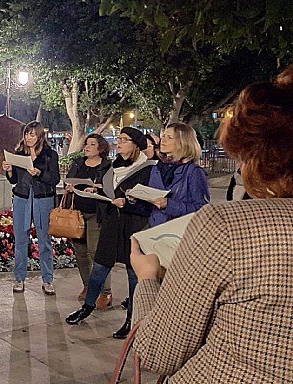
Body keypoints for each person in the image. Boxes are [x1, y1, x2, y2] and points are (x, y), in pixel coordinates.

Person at [130, 66, 293, 382]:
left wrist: (148, 279)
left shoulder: (227, 226)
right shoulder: (157, 168)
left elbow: (156, 351)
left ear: (259, 156)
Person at [66, 127, 155, 339]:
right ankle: (88, 306)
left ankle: (132, 319)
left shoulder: (147, 169)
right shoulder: (114, 166)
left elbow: (150, 203)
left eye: (124, 140)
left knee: (133, 273)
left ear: (135, 145)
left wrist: (129, 203)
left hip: (134, 225)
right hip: (112, 222)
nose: (119, 143)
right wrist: (96, 191)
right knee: (100, 266)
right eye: (119, 139)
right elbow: (111, 191)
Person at [2, 121, 60, 295]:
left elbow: (55, 179)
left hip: (43, 199)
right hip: (22, 198)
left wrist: (39, 173)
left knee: (45, 241)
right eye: (27, 134)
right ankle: (19, 278)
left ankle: (48, 280)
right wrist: (9, 170)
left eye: (32, 134)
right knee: (20, 240)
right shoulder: (19, 154)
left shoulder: (50, 155)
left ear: (40, 136)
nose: (28, 137)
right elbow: (14, 181)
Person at [64, 133, 112, 308]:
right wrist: (69, 186)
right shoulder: (78, 164)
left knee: (96, 252)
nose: (87, 147)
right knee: (80, 251)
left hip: (97, 214)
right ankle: (87, 286)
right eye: (86, 144)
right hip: (78, 213)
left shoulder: (107, 166)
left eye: (92, 144)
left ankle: (105, 292)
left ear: (100, 148)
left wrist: (97, 189)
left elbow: (112, 188)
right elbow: (68, 180)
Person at [147, 123, 210, 228]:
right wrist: (134, 200)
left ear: (182, 143)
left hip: (180, 234)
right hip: (156, 233)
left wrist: (169, 205)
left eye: (169, 137)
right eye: (163, 136)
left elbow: (202, 209)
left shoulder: (193, 172)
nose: (163, 140)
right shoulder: (156, 168)